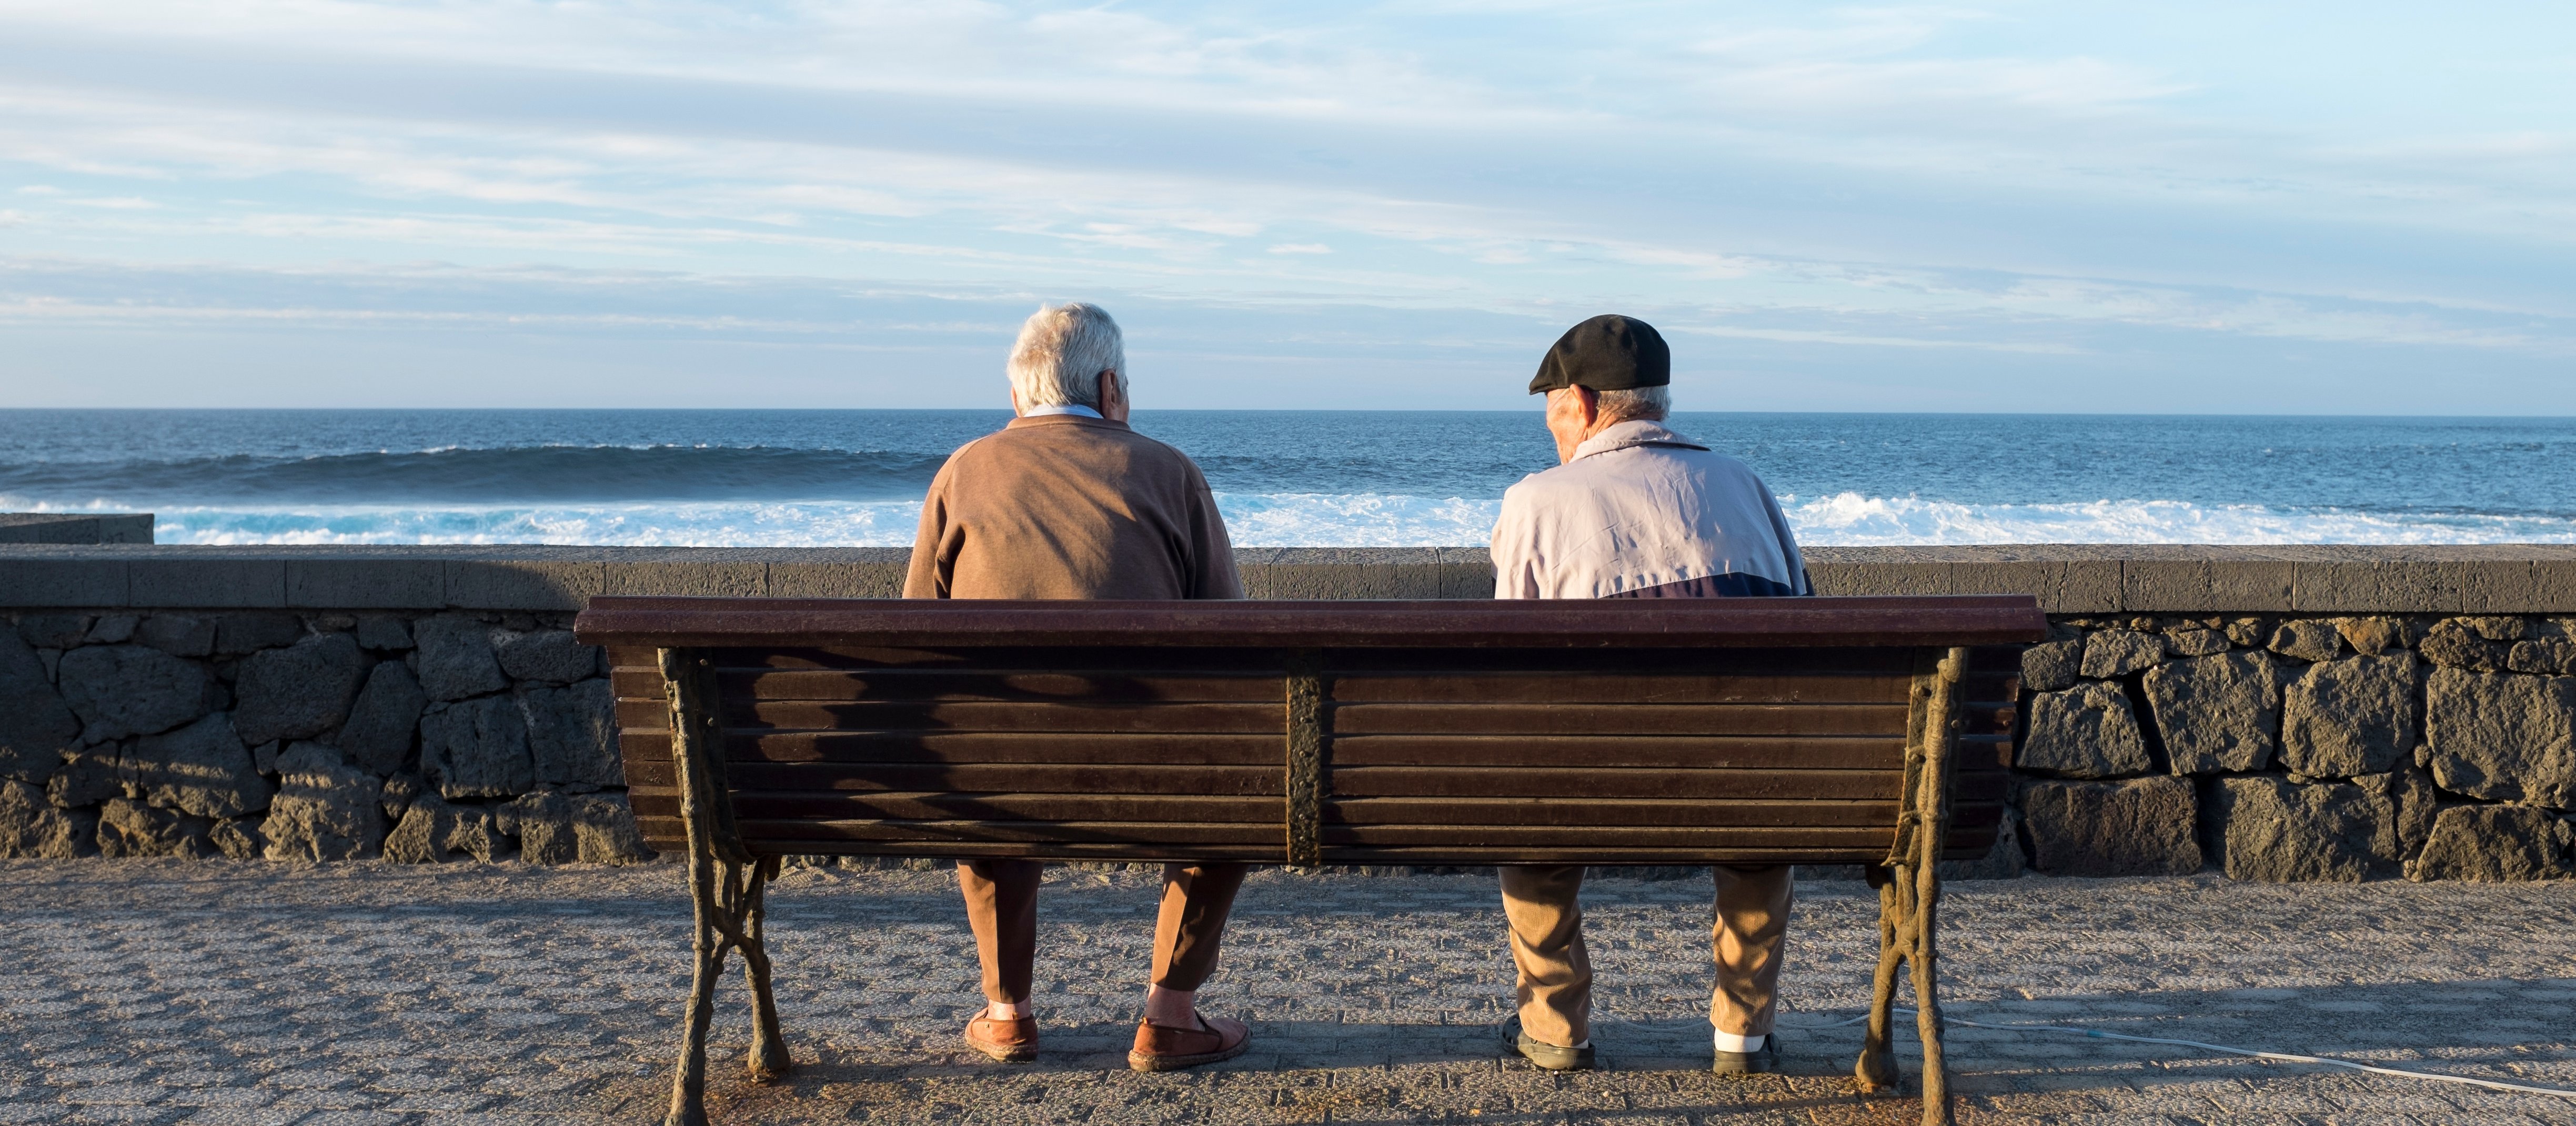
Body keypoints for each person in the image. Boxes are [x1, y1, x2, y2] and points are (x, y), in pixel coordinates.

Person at [904, 301, 1253, 1072]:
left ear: (1019, 399)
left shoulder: (962, 472)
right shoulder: (1169, 471)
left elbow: (912, 637)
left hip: (998, 779)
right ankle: (1169, 1014)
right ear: (1110, 388)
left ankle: (1006, 1013)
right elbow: (1233, 636)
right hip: (1155, 777)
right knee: (1240, 783)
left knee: (983, 747)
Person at [1487, 314, 1811, 1075]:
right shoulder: (1746, 487)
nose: (1554, 435)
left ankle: (1556, 1025)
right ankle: (1743, 1035)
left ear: (1584, 401)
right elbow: (1804, 627)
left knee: (1530, 814)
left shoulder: (1537, 502)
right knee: (1758, 821)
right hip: (1741, 788)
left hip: (1589, 785)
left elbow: (1508, 664)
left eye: (1555, 416)